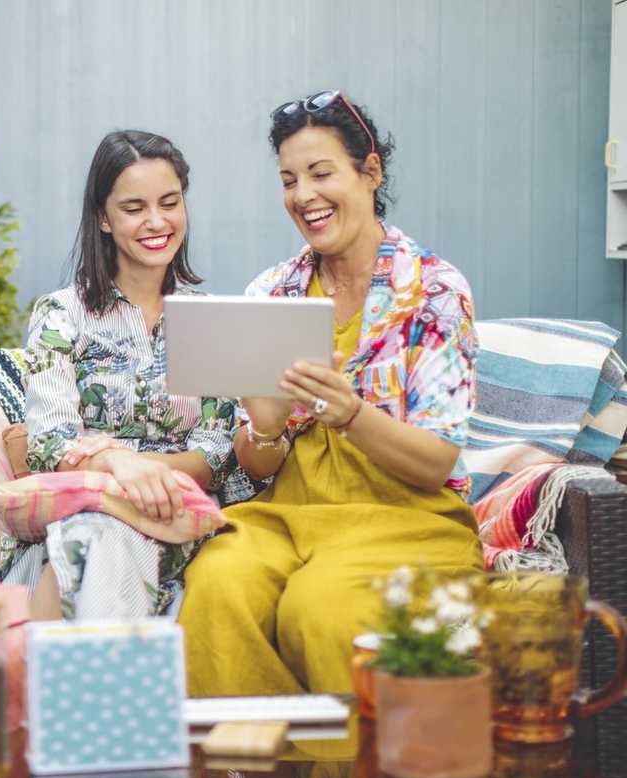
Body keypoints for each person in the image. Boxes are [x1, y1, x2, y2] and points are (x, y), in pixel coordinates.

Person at [179, 91, 484, 696]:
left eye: (321, 173)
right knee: (218, 583)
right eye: (289, 179)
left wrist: (349, 415)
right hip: (289, 517)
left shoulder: (433, 291)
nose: (303, 196)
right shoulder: (271, 293)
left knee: (319, 610)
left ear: (370, 172)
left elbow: (436, 462)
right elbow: (257, 463)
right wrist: (265, 427)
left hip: (406, 519)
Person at [22, 129, 244, 620]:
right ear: (103, 217)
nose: (157, 222)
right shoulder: (61, 315)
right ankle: (102, 689)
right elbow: (50, 446)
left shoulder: (210, 319)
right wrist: (122, 470)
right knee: (95, 539)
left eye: (170, 202)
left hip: (185, 516)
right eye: (134, 208)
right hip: (93, 511)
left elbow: (217, 452)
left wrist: (143, 475)